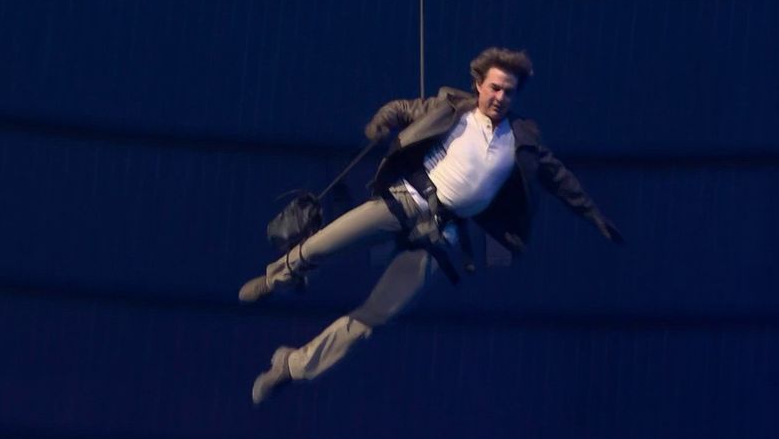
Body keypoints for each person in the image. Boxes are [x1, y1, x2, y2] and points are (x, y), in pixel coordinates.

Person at [240, 47, 623, 404]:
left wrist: (595, 218)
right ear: (479, 85)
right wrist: (382, 120)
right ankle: (277, 278)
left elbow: (561, 180)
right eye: (494, 87)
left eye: (509, 91)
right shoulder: (452, 108)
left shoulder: (521, 139)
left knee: (377, 314)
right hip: (405, 202)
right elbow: (404, 108)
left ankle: (292, 366)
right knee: (322, 244)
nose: (500, 97)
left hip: (441, 235)